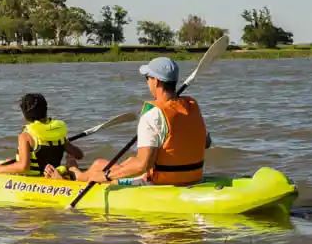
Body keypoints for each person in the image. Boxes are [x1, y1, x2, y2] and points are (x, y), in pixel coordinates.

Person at [70, 57, 211, 186]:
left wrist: (106, 176)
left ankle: (72, 178)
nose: (147, 82)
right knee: (101, 163)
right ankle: (76, 174)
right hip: (194, 177)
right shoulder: (192, 106)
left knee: (100, 168)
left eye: (147, 78)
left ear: (156, 81)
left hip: (160, 182)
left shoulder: (153, 114)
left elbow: (142, 165)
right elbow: (206, 143)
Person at [0, 93, 84, 177]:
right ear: (46, 110)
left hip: (31, 178)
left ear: (25, 116)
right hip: (51, 174)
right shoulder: (58, 132)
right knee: (9, 161)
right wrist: (65, 143)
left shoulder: (26, 136)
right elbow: (79, 155)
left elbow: (23, 167)